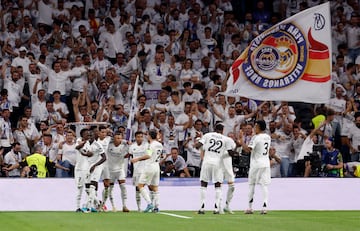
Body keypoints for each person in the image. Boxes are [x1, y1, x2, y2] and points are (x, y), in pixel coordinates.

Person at [195, 123, 236, 214]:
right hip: (217, 163)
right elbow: (230, 153)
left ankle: (202, 208)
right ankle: (216, 208)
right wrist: (236, 154)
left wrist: (199, 142)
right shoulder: (226, 139)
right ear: (222, 130)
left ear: (214, 128)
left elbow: (198, 146)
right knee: (218, 185)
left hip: (206, 162)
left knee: (203, 184)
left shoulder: (207, 135)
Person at [239, 120, 271, 215]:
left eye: (255, 126)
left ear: (258, 127)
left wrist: (241, 140)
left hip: (256, 164)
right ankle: (265, 207)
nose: (254, 128)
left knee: (251, 185)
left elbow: (248, 150)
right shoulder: (268, 137)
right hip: (265, 163)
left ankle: (250, 207)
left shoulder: (255, 138)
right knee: (264, 185)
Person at [131, 129, 163, 213]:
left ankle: (149, 203)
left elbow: (148, 156)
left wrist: (137, 159)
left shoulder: (151, 145)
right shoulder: (160, 145)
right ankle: (157, 207)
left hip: (150, 166)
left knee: (140, 185)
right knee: (155, 187)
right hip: (157, 166)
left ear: (149, 136)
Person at [77, 129, 106, 213]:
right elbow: (77, 148)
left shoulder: (98, 145)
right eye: (88, 135)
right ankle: (98, 203)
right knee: (87, 188)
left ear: (94, 136)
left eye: (91, 135)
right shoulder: (86, 144)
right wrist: (84, 153)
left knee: (92, 187)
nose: (89, 137)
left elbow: (104, 158)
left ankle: (88, 207)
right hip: (89, 167)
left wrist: (95, 165)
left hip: (97, 167)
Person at [104, 131, 130, 212]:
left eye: (120, 138)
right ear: (113, 138)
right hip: (110, 170)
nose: (119, 140)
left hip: (120, 169)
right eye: (117, 138)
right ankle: (104, 204)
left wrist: (123, 156)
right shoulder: (109, 144)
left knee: (123, 187)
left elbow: (129, 153)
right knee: (109, 189)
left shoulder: (124, 145)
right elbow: (106, 140)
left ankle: (124, 205)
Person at [128, 131, 149, 212]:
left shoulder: (147, 145)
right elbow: (129, 155)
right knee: (137, 189)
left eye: (141, 136)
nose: (140, 138)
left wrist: (138, 159)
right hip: (136, 171)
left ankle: (151, 204)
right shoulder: (132, 147)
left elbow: (149, 155)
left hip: (146, 170)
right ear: (135, 138)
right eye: (138, 137)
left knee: (149, 188)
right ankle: (139, 208)